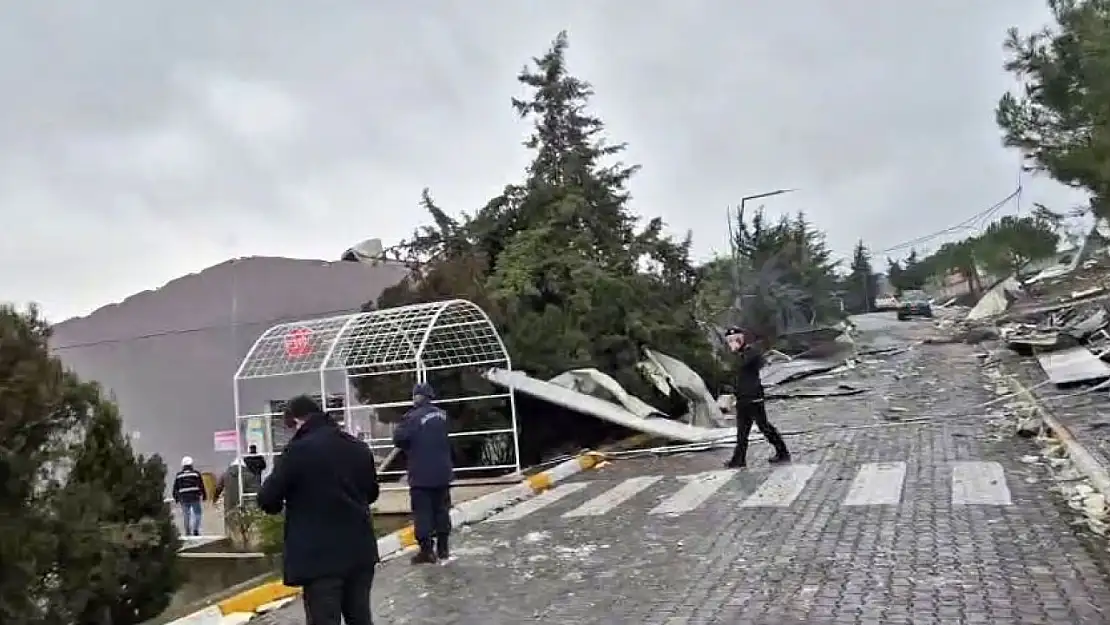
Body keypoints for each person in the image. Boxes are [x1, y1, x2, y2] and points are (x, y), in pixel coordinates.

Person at [258, 395, 380, 625]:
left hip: (319, 558)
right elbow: (371, 493)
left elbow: (267, 499)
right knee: (361, 617)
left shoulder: (297, 452)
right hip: (359, 550)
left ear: (296, 421)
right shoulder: (357, 447)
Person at [393, 382, 454, 564]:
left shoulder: (411, 417)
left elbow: (399, 439)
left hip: (421, 474)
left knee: (423, 513)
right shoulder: (443, 416)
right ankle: (443, 548)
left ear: (416, 397)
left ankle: (427, 551)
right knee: (442, 510)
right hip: (443, 472)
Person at [724, 326, 791, 469]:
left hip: (754, 397)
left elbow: (746, 365)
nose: (732, 343)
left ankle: (782, 452)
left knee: (764, 427)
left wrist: (735, 354)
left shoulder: (751, 353)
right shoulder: (737, 355)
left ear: (742, 339)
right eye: (730, 340)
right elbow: (730, 372)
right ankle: (738, 459)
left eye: (736, 339)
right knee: (742, 431)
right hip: (741, 397)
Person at [172, 456, 207, 536]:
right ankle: (195, 530)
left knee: (186, 514)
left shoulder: (179, 475)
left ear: (183, 465)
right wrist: (204, 495)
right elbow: (201, 485)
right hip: (195, 497)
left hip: (184, 498)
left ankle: (187, 532)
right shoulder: (196, 474)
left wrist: (176, 498)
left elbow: (175, 488)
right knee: (198, 513)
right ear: (191, 465)